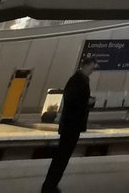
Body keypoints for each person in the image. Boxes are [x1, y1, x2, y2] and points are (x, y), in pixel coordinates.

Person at [41, 58, 96, 191]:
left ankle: (51, 184)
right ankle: (49, 186)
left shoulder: (79, 79)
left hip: (72, 125)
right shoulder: (78, 80)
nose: (93, 71)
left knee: (62, 156)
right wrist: (87, 102)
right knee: (62, 156)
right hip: (72, 125)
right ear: (85, 66)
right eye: (92, 68)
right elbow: (72, 100)